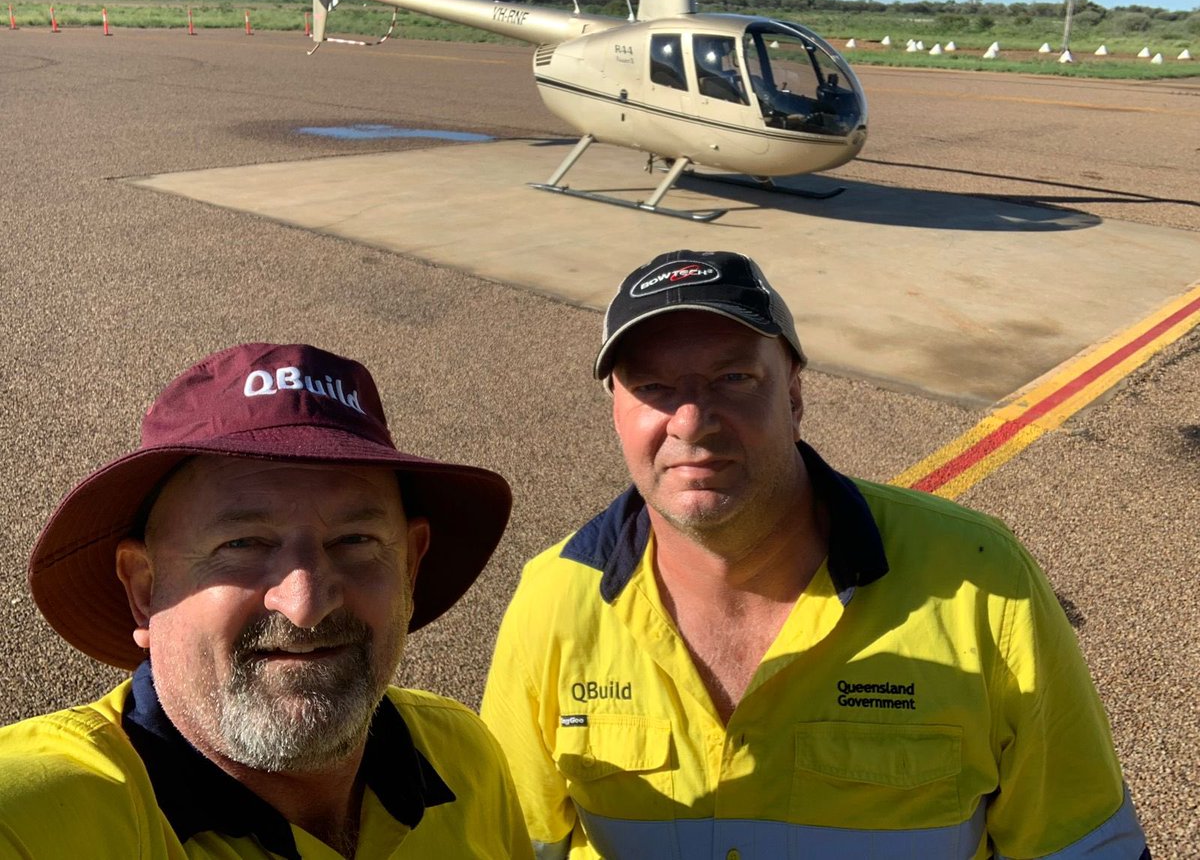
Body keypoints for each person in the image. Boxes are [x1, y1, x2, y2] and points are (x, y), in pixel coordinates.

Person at [481, 251, 1149, 859]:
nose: (690, 420)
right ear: (616, 411)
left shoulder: (983, 582)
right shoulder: (554, 601)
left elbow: (1085, 847)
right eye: (652, 388)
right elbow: (509, 845)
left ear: (794, 394)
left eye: (734, 377)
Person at [1, 342, 533, 859]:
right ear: (144, 588)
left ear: (409, 569)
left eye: (355, 541)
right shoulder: (33, 819)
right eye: (242, 544)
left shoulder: (464, 758)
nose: (306, 604)